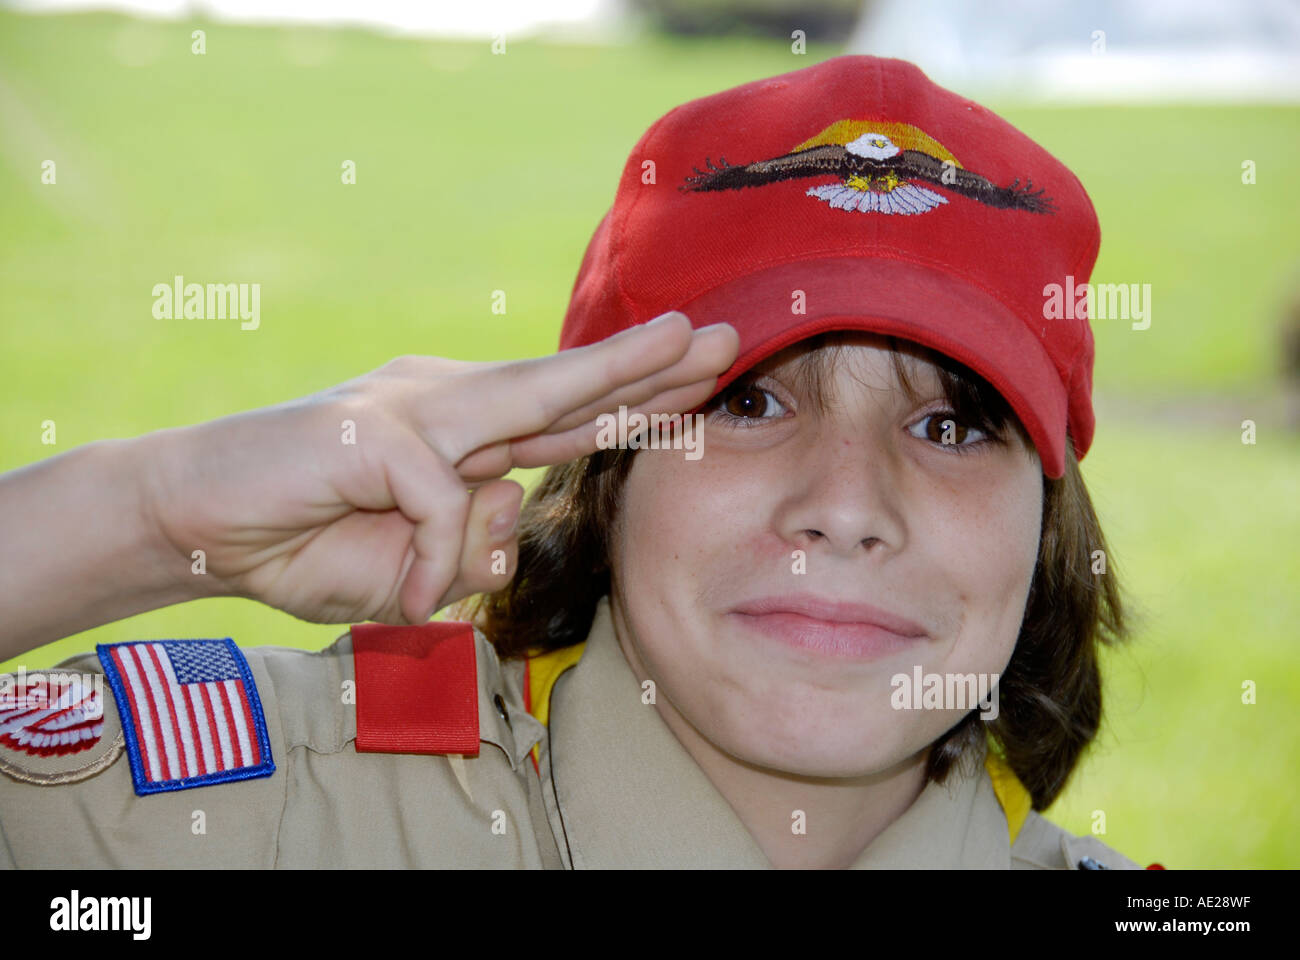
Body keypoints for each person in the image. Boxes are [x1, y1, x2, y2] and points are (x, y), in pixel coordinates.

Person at [0, 55, 1150, 869]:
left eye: (950, 425)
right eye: (746, 401)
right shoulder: (245, 817)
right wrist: (144, 516)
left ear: (1045, 525)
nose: (845, 507)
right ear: (602, 475)